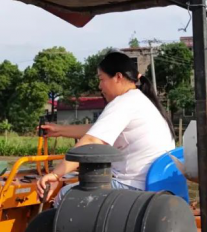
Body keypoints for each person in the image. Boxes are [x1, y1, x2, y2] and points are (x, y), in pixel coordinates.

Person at [36, 51, 175, 199]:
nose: (99, 86)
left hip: (134, 187)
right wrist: (59, 130)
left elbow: (91, 141)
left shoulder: (124, 102)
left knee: (65, 195)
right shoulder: (141, 101)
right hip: (156, 185)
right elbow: (96, 131)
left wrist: (55, 175)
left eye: (102, 79)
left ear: (118, 77)